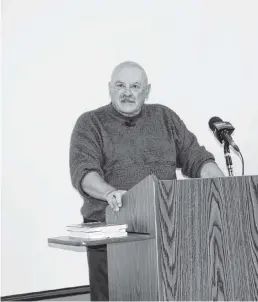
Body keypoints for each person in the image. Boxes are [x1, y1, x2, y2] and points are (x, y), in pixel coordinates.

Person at [69, 61, 225, 301]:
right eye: (120, 85)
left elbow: (195, 156)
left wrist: (218, 181)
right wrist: (110, 193)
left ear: (147, 90)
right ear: (110, 88)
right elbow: (84, 173)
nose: (127, 92)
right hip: (112, 232)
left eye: (135, 86)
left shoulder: (165, 117)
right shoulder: (91, 123)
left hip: (166, 230)